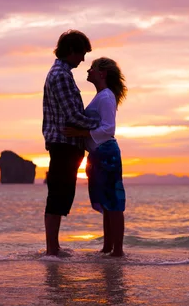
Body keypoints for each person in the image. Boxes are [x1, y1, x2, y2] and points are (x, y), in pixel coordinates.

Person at [42, 29, 100, 256]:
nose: (84, 59)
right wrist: (100, 122)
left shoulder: (60, 73)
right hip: (64, 143)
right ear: (72, 50)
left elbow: (72, 114)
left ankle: (53, 248)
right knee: (58, 195)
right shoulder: (61, 76)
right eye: (82, 53)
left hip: (65, 143)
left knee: (60, 194)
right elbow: (72, 115)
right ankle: (52, 249)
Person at [63, 57, 127, 257]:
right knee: (107, 202)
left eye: (93, 68)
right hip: (99, 153)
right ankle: (108, 247)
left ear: (103, 73)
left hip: (106, 151)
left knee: (114, 203)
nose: (88, 71)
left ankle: (117, 250)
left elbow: (109, 128)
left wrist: (79, 133)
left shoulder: (106, 96)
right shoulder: (101, 96)